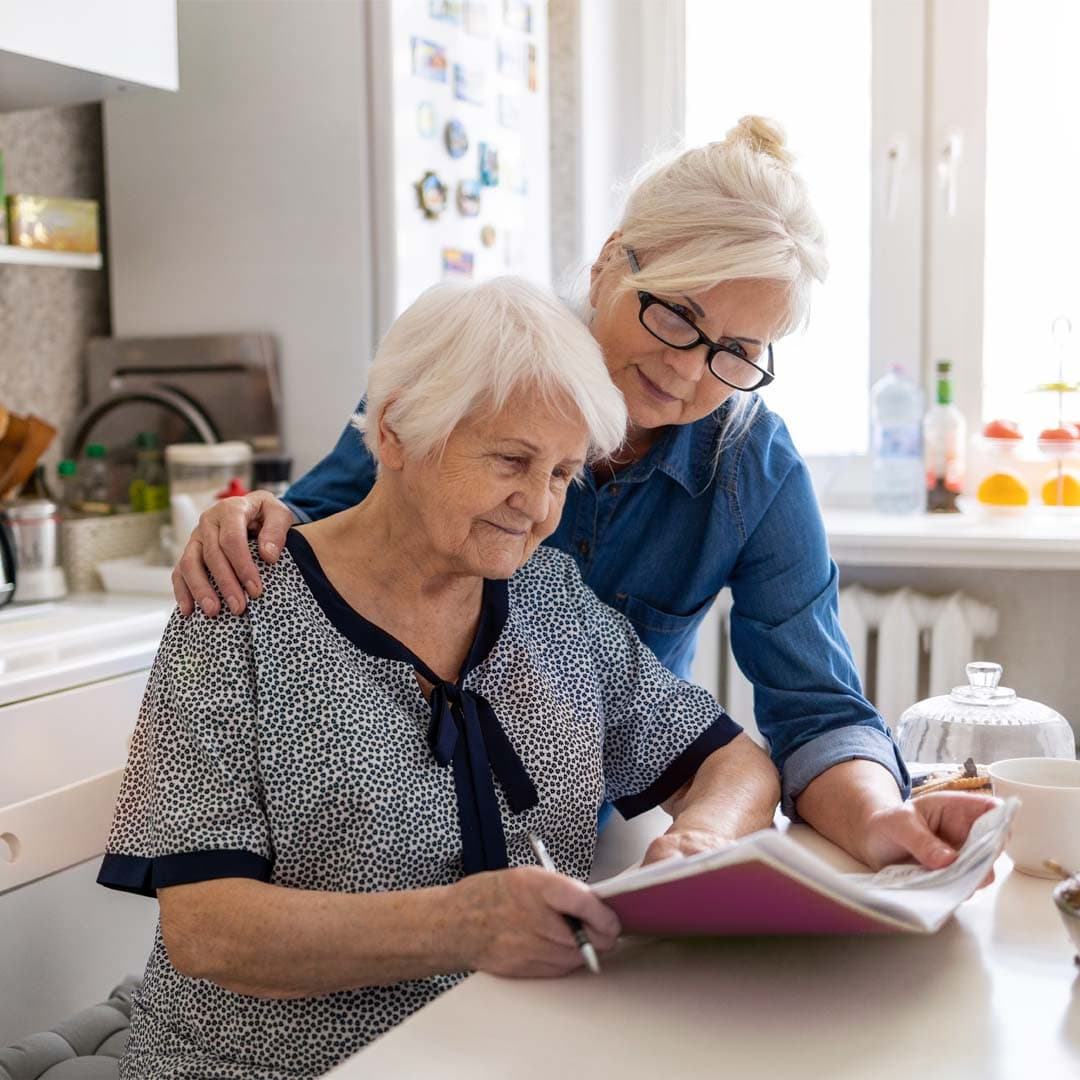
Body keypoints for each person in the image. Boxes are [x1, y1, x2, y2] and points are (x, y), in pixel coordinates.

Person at [172, 116, 999, 875]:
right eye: (677, 314)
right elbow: (318, 534)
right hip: (380, 839)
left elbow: (817, 711)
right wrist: (250, 518)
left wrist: (883, 818)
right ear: (611, 262)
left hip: (580, 839)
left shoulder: (754, 466)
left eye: (736, 350)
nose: (685, 370)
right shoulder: (474, 369)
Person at [99, 278, 781, 1080]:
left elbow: (734, 763)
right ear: (396, 433)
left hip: (507, 1053)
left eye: (563, 474)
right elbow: (208, 930)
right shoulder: (240, 605)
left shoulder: (550, 601)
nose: (536, 508)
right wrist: (460, 924)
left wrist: (697, 841)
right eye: (511, 460)